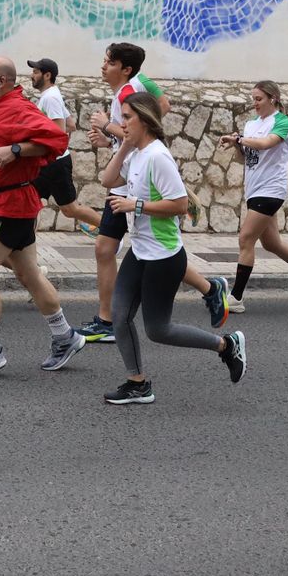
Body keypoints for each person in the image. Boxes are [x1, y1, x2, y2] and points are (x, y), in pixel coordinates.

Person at [101, 93, 248, 404]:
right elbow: (107, 179)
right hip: (140, 251)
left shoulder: (157, 156)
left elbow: (180, 205)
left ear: (144, 119)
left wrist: (135, 204)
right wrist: (125, 144)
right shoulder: (138, 153)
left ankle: (226, 345)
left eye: (128, 117)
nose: (122, 122)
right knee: (119, 315)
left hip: (163, 256)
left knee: (158, 330)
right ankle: (138, 383)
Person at [78, 43, 229, 344]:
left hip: (130, 190)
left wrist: (107, 126)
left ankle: (107, 320)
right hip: (127, 182)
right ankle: (211, 289)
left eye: (109, 62)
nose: (102, 67)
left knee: (116, 249)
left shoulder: (128, 93)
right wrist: (111, 141)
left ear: (126, 68)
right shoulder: (139, 84)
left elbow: (143, 131)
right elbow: (160, 109)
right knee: (132, 249)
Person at [0, 56, 85, 376]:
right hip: (9, 203)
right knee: (29, 275)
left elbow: (56, 138)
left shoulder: (17, 108)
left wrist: (17, 151)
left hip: (7, 206)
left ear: (1, 82)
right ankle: (64, 335)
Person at [217, 80, 288, 310]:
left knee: (246, 238)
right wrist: (237, 146)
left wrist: (238, 139)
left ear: (273, 99)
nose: (254, 103)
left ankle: (236, 298)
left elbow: (266, 144)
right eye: (253, 99)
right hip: (254, 188)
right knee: (271, 243)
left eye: (259, 99)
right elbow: (245, 158)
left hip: (271, 189)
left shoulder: (282, 122)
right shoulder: (250, 125)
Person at [27, 57, 102, 238]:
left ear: (47, 75)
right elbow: (71, 124)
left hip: (54, 163)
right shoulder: (52, 94)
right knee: (29, 201)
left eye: (36, 72)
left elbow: (59, 132)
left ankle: (110, 231)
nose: (32, 75)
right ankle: (24, 243)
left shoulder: (51, 98)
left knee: (70, 209)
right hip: (50, 162)